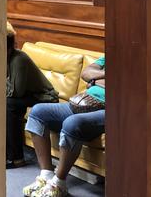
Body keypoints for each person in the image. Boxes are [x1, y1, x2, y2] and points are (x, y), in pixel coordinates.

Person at [22, 56, 105, 197]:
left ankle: (59, 184)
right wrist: (105, 76)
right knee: (38, 112)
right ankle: (46, 175)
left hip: (110, 110)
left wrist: (95, 81)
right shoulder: (111, 54)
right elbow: (86, 73)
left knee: (72, 123)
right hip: (82, 104)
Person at [6, 21, 59, 169]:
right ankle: (6, 153)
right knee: (6, 103)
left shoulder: (19, 59)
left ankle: (16, 157)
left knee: (9, 104)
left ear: (9, 48)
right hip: (26, 96)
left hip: (45, 97)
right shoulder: (4, 59)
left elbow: (15, 92)